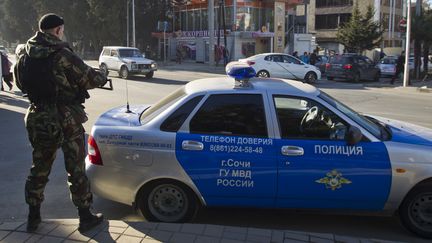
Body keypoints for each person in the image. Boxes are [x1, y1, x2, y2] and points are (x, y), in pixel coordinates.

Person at [13, 13, 107, 233]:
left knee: (40, 166)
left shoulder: (25, 53)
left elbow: (19, 83)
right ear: (57, 30)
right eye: (61, 29)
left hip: (37, 116)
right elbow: (90, 79)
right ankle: (85, 217)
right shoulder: (61, 54)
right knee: (75, 168)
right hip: (65, 118)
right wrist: (102, 74)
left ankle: (33, 217)